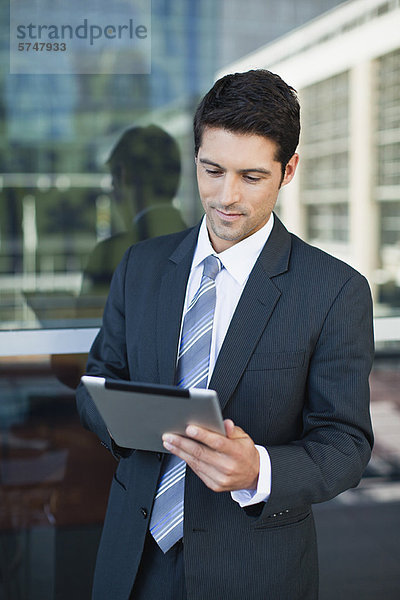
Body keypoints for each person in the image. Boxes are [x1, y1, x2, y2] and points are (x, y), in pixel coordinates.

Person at [76, 69, 374, 600]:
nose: (226, 196)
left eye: (251, 176)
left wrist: (258, 466)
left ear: (289, 170)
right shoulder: (140, 266)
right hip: (132, 560)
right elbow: (97, 380)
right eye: (211, 170)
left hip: (254, 570)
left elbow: (345, 444)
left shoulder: (335, 291)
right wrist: (130, 423)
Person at [81, 124, 186, 297]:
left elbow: (86, 317)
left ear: (124, 175)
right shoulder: (205, 247)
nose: (113, 197)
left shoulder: (110, 255)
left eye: (113, 185)